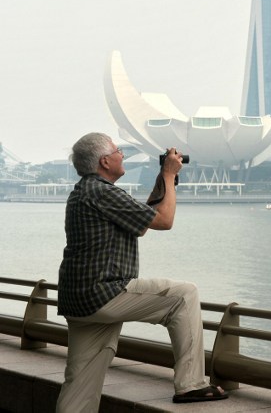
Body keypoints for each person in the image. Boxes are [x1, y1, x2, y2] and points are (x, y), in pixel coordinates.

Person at [55, 133, 227, 412]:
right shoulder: (102, 192)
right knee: (184, 295)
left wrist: (163, 177)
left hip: (78, 300)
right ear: (105, 161)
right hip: (103, 292)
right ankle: (191, 384)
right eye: (118, 150)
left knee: (79, 383)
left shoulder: (86, 191)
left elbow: (144, 220)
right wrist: (170, 177)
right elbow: (164, 220)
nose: (122, 154)